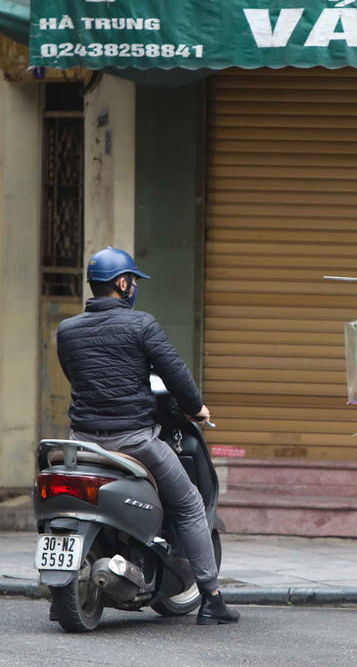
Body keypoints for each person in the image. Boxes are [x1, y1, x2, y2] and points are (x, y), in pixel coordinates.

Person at [56, 246, 239, 626]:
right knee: (188, 502)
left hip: (82, 442)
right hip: (133, 442)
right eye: (133, 280)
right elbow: (178, 378)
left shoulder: (67, 330)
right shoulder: (142, 324)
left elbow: (75, 376)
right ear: (122, 283)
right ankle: (212, 599)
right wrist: (196, 409)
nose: (134, 287)